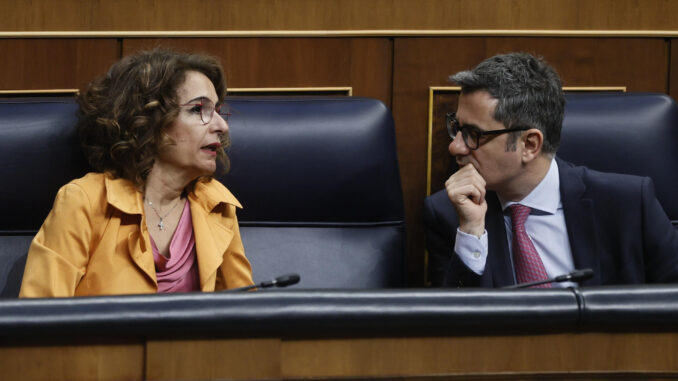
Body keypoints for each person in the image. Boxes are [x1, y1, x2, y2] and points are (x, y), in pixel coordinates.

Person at [424, 52, 678, 288]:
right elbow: (454, 327)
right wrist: (471, 233)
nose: (455, 147)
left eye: (472, 134)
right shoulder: (449, 215)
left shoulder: (628, 205)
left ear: (530, 144)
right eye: (456, 128)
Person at [20, 49, 254, 297]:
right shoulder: (85, 202)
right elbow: (39, 321)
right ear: (149, 120)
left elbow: (246, 318)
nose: (222, 125)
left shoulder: (216, 204)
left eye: (218, 111)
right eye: (198, 109)